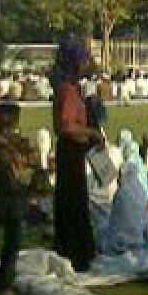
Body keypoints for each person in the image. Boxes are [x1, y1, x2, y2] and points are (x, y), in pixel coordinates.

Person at [51, 38, 98, 272]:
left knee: (70, 200)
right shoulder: (68, 91)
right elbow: (67, 127)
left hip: (69, 151)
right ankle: (76, 251)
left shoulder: (66, 88)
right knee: (73, 201)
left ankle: (70, 248)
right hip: (71, 151)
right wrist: (91, 132)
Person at [0, 100, 33, 295]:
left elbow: (27, 152)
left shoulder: (5, 138)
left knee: (13, 240)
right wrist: (18, 151)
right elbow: (5, 156)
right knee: (10, 239)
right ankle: (2, 285)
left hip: (9, 195)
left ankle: (3, 284)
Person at [101, 161, 148, 255]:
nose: (118, 179)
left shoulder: (121, 192)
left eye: (119, 175)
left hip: (120, 240)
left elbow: (114, 220)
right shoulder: (142, 190)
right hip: (139, 238)